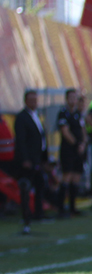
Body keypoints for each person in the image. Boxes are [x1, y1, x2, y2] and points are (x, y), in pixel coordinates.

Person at [14, 89, 47, 234]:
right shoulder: (22, 118)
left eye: (35, 99)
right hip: (27, 160)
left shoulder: (36, 116)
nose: (34, 102)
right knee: (26, 188)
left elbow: (41, 138)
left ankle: (38, 213)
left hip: (37, 159)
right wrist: (25, 159)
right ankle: (26, 216)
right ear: (26, 101)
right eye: (31, 100)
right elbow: (21, 140)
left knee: (39, 185)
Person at [56, 88, 86, 217]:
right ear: (67, 99)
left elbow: (83, 130)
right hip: (68, 150)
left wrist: (83, 143)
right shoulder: (63, 113)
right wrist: (76, 144)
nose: (73, 100)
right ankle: (61, 208)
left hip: (79, 150)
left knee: (76, 177)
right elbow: (65, 131)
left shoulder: (78, 114)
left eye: (75, 97)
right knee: (67, 176)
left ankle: (73, 207)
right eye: (71, 98)